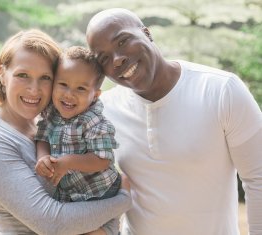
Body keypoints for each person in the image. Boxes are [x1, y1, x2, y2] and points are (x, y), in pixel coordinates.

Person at [86, 8, 262, 235]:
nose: (117, 59)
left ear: (147, 34)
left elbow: (258, 178)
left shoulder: (221, 90)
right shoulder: (104, 111)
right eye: (104, 58)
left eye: (123, 41)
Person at [0, 29, 132, 235]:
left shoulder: (50, 124)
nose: (34, 89)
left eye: (45, 77)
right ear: (2, 74)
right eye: (22, 75)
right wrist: (123, 200)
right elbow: (53, 223)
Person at [34, 46, 122, 234]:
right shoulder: (51, 114)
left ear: (95, 95)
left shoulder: (94, 121)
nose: (69, 94)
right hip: (71, 193)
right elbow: (42, 138)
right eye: (63, 84)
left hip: (99, 190)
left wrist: (68, 162)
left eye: (81, 88)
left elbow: (102, 159)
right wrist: (43, 157)